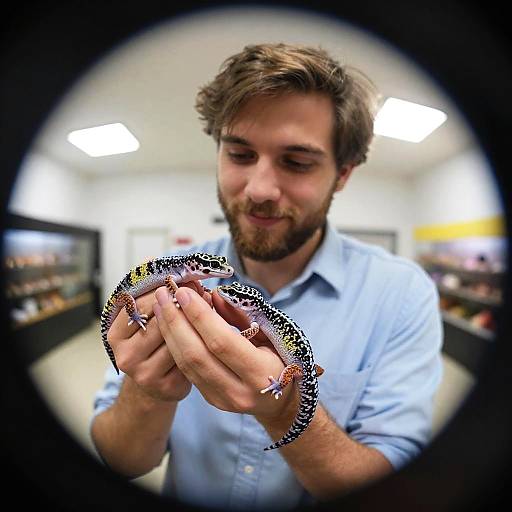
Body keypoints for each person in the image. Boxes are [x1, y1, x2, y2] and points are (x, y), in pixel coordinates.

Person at [91, 43, 443, 511]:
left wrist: (288, 414)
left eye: (297, 162)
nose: (259, 190)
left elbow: (393, 489)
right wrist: (144, 390)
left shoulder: (402, 294)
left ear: (342, 175)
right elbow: (120, 460)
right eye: (239, 154)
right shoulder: (164, 284)